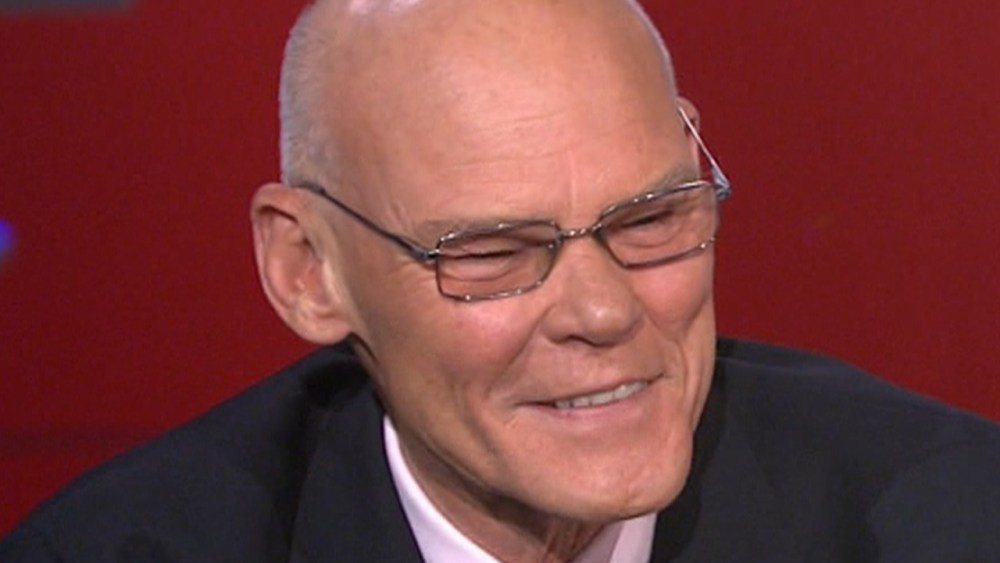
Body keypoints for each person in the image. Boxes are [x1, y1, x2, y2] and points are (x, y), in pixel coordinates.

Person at [3, 0, 1000, 561]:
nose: (604, 311)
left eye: (649, 218)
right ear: (308, 270)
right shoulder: (126, 550)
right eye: (491, 251)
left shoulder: (953, 519)